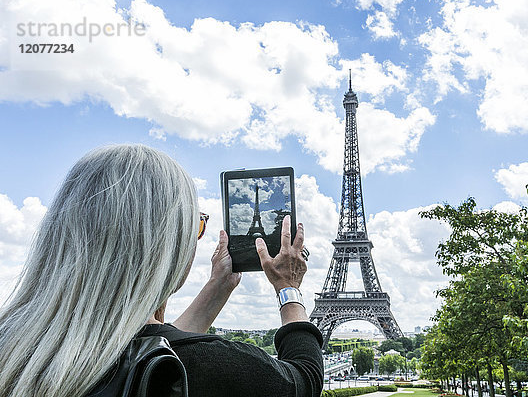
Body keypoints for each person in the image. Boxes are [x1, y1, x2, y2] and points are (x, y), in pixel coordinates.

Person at [0, 144, 323, 397]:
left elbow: (147, 346)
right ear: (167, 245)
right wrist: (288, 288)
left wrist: (217, 287)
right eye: (196, 225)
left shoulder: (15, 351)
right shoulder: (212, 366)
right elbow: (304, 378)